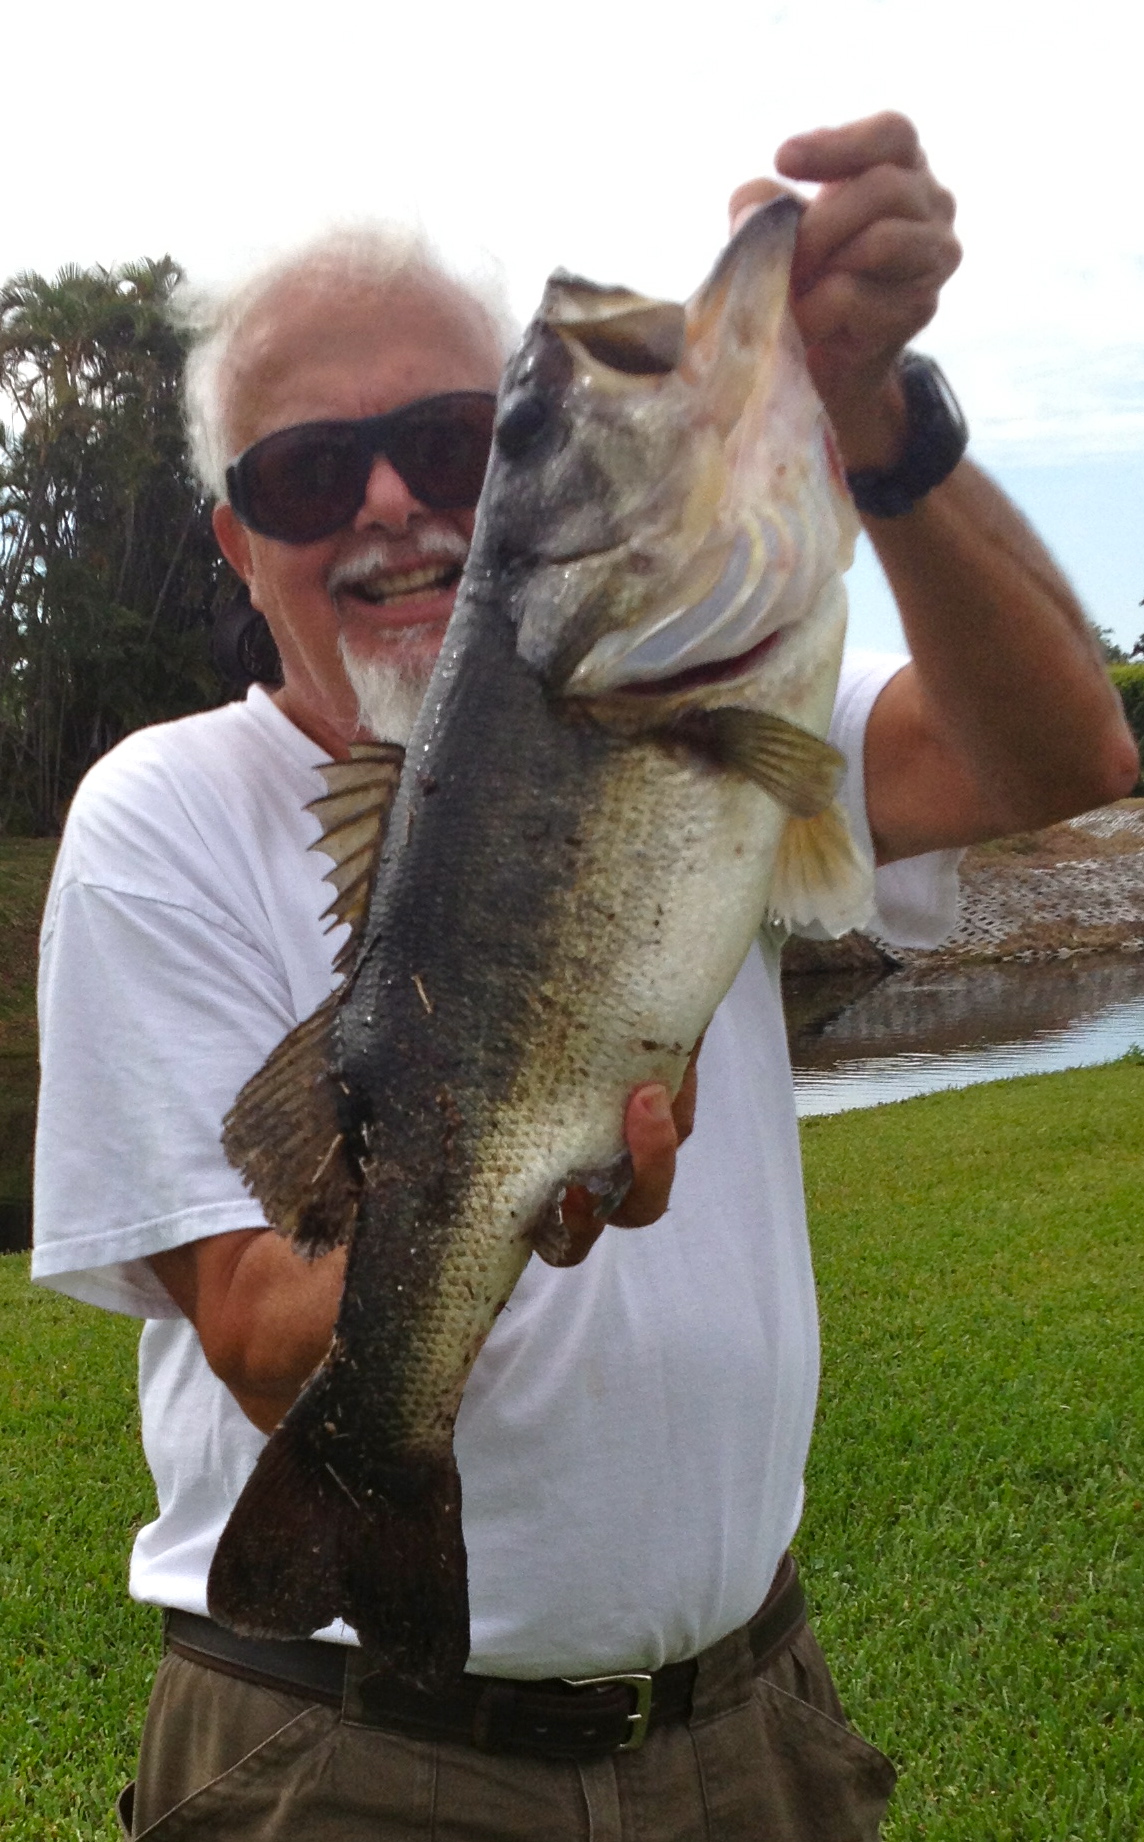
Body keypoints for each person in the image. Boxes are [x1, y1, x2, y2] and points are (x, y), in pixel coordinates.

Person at [32, 111, 1136, 1841]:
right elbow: (251, 1331)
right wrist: (501, 1190)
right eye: (309, 475)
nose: (389, 504)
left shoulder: (704, 697)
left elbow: (1064, 753)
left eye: (452, 442)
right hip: (348, 1758)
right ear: (239, 545)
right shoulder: (159, 814)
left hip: (750, 1722)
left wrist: (878, 422)